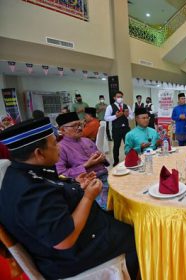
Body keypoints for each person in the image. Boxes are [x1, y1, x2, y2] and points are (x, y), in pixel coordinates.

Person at [0, 117, 138, 279]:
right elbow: (64, 240)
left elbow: (53, 190)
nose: (58, 148)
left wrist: (75, 185)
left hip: (81, 235)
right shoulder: (29, 192)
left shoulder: (19, 172)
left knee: (123, 219)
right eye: (54, 144)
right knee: (136, 234)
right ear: (39, 153)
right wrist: (87, 197)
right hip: (70, 257)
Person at [55, 112, 109, 209]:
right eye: (74, 126)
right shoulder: (60, 148)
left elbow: (103, 161)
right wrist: (86, 165)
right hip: (89, 184)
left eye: (80, 124)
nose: (80, 128)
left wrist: (102, 158)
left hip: (106, 176)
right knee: (110, 205)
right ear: (63, 130)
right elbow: (61, 174)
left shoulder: (87, 140)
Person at [104, 91, 134, 166]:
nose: (120, 98)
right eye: (118, 97)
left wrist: (127, 116)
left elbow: (132, 117)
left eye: (121, 96)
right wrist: (115, 116)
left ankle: (130, 159)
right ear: (114, 98)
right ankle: (116, 161)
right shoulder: (110, 107)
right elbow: (106, 118)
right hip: (116, 129)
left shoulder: (127, 106)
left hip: (126, 128)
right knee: (116, 146)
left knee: (129, 144)